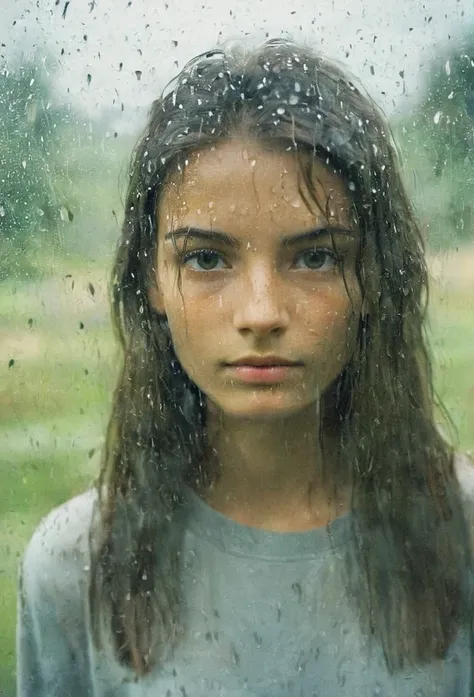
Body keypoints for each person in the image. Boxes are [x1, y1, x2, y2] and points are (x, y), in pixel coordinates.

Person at [16, 38, 474, 697]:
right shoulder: (77, 565)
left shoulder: (459, 533)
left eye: (314, 257)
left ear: (371, 275)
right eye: (207, 258)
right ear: (150, 278)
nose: (261, 312)